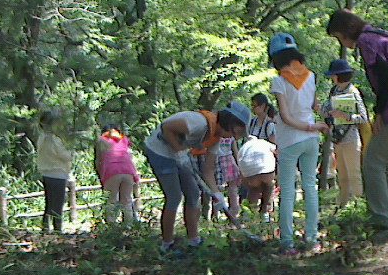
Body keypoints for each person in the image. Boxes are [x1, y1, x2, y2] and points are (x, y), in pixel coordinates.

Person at [326, 10, 388, 240]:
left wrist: (379, 112)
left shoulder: (367, 42)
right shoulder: (382, 35)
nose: (343, 43)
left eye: (340, 37)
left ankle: (382, 222)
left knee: (373, 161)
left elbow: (386, 80)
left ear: (348, 29)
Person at [143, 102, 250, 254]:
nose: (234, 136)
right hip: (159, 150)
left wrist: (216, 194)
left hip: (179, 154)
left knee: (193, 193)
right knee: (174, 196)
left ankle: (194, 241)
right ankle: (167, 244)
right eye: (235, 132)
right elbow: (167, 127)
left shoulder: (215, 138)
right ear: (229, 122)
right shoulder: (198, 123)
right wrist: (178, 151)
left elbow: (208, 169)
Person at [268, 33, 328, 254]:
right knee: (310, 187)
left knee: (288, 190)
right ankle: (311, 238)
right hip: (311, 140)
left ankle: (287, 242)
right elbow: (315, 106)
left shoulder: (279, 81)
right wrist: (323, 122)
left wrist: (311, 126)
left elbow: (284, 117)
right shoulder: (310, 76)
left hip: (289, 141)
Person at [319, 59, 368, 208]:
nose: (332, 78)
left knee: (354, 175)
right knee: (342, 177)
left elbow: (363, 117)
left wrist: (346, 116)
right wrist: (318, 108)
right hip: (337, 140)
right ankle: (343, 206)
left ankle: (358, 206)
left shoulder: (353, 92)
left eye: (333, 75)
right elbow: (325, 112)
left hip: (351, 139)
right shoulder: (334, 91)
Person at [94, 124, 140, 224]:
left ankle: (111, 226)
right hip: (128, 171)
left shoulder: (101, 140)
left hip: (112, 171)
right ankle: (129, 226)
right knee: (127, 200)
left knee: (111, 200)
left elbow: (98, 161)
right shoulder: (124, 139)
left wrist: (100, 175)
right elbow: (129, 156)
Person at [36, 110, 73, 232]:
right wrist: (71, 150)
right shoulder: (54, 140)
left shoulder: (41, 138)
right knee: (58, 203)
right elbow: (65, 156)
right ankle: (58, 229)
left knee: (49, 202)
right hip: (58, 173)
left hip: (46, 173)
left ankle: (46, 227)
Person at [236, 137, 276, 220]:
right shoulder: (263, 142)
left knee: (254, 189)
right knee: (269, 186)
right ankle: (265, 212)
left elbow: (239, 163)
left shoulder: (244, 147)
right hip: (266, 165)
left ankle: (251, 213)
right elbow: (276, 150)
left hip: (249, 169)